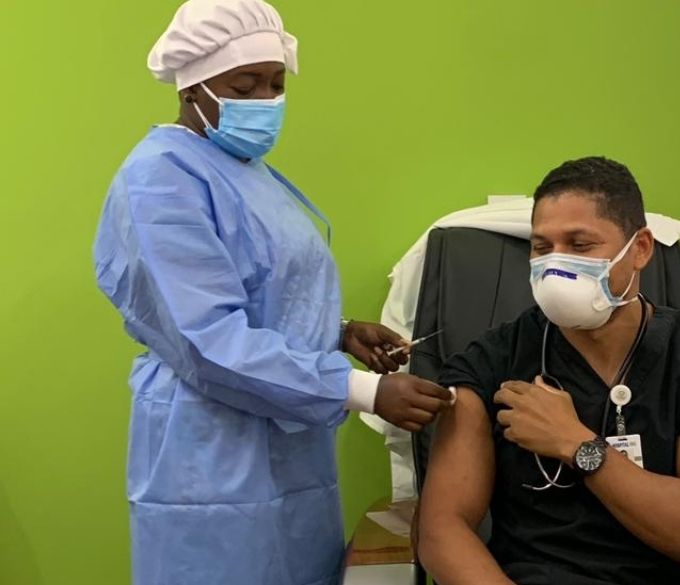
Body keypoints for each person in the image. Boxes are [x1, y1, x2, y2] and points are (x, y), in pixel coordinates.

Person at [92, 1, 450, 584]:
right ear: (192, 88)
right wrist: (362, 390)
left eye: (276, 84)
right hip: (212, 450)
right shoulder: (161, 177)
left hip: (286, 441)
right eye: (244, 86)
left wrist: (337, 332)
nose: (264, 99)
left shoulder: (240, 167)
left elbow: (261, 289)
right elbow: (206, 338)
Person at [418, 157, 680, 585]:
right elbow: (443, 530)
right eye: (542, 248)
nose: (556, 266)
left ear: (640, 249)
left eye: (580, 245)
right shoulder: (490, 362)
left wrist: (577, 444)